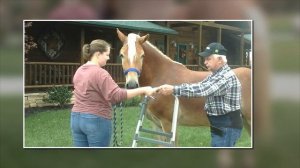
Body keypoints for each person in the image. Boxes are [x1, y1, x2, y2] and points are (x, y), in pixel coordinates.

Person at [71, 39, 156, 147]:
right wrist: (143, 89)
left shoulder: (79, 70)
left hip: (76, 119)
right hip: (95, 120)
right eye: (106, 54)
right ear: (98, 54)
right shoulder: (100, 73)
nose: (108, 57)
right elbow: (116, 95)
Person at [157, 42, 243, 147]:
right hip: (220, 123)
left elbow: (202, 89)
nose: (205, 62)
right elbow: (200, 85)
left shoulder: (225, 77)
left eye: (208, 59)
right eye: (205, 59)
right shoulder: (215, 75)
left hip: (227, 124)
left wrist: (174, 89)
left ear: (220, 60)